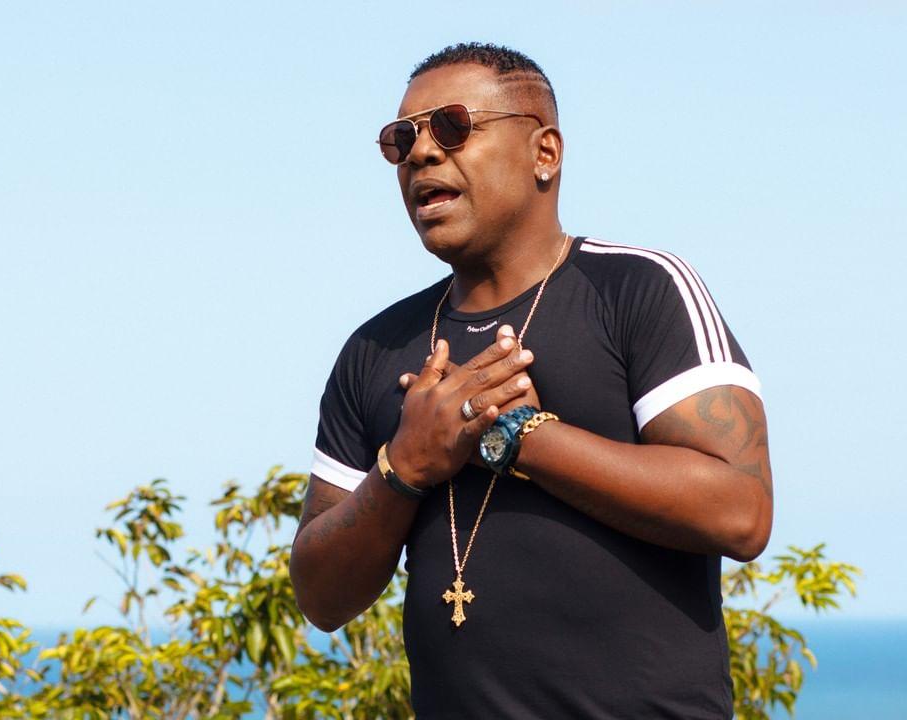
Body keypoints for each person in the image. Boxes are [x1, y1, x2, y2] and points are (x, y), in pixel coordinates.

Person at [289, 42, 772, 719]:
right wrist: (406, 466)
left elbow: (742, 513)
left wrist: (522, 435)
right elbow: (320, 596)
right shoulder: (375, 349)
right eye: (401, 139)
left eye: (452, 126)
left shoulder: (638, 291)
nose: (421, 152)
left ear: (544, 152)